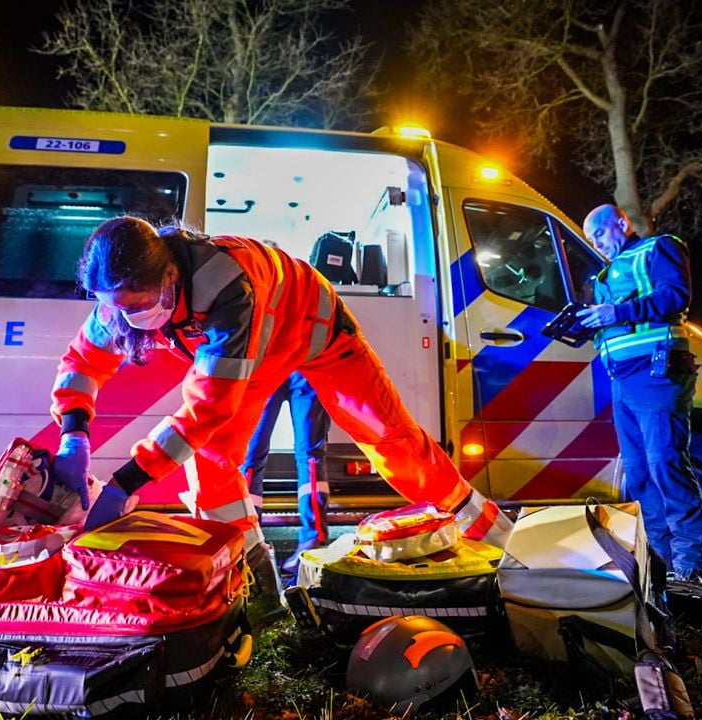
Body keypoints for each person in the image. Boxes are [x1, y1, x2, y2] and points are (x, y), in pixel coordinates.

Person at [48, 217, 514, 622]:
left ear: (169, 273)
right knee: (212, 464)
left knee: (393, 443)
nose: (128, 319)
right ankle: (256, 595)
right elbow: (82, 362)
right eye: (117, 308)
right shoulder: (121, 298)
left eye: (138, 305)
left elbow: (208, 408)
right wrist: (74, 435)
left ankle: (501, 543)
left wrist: (125, 483)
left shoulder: (226, 283)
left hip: (317, 334)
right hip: (261, 346)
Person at [577, 204, 702, 583]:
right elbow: (616, 320)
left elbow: (675, 297)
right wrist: (587, 325)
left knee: (665, 462)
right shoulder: (604, 274)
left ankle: (692, 563)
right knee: (638, 474)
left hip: (658, 370)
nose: (597, 244)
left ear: (621, 221)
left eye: (599, 234)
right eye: (591, 240)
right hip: (624, 379)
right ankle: (662, 564)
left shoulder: (659, 247)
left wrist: (615, 315)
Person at [241, 371, 332, 575]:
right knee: (310, 456)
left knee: (251, 458)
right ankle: (313, 539)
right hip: (307, 365)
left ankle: (247, 542)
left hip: (267, 363)